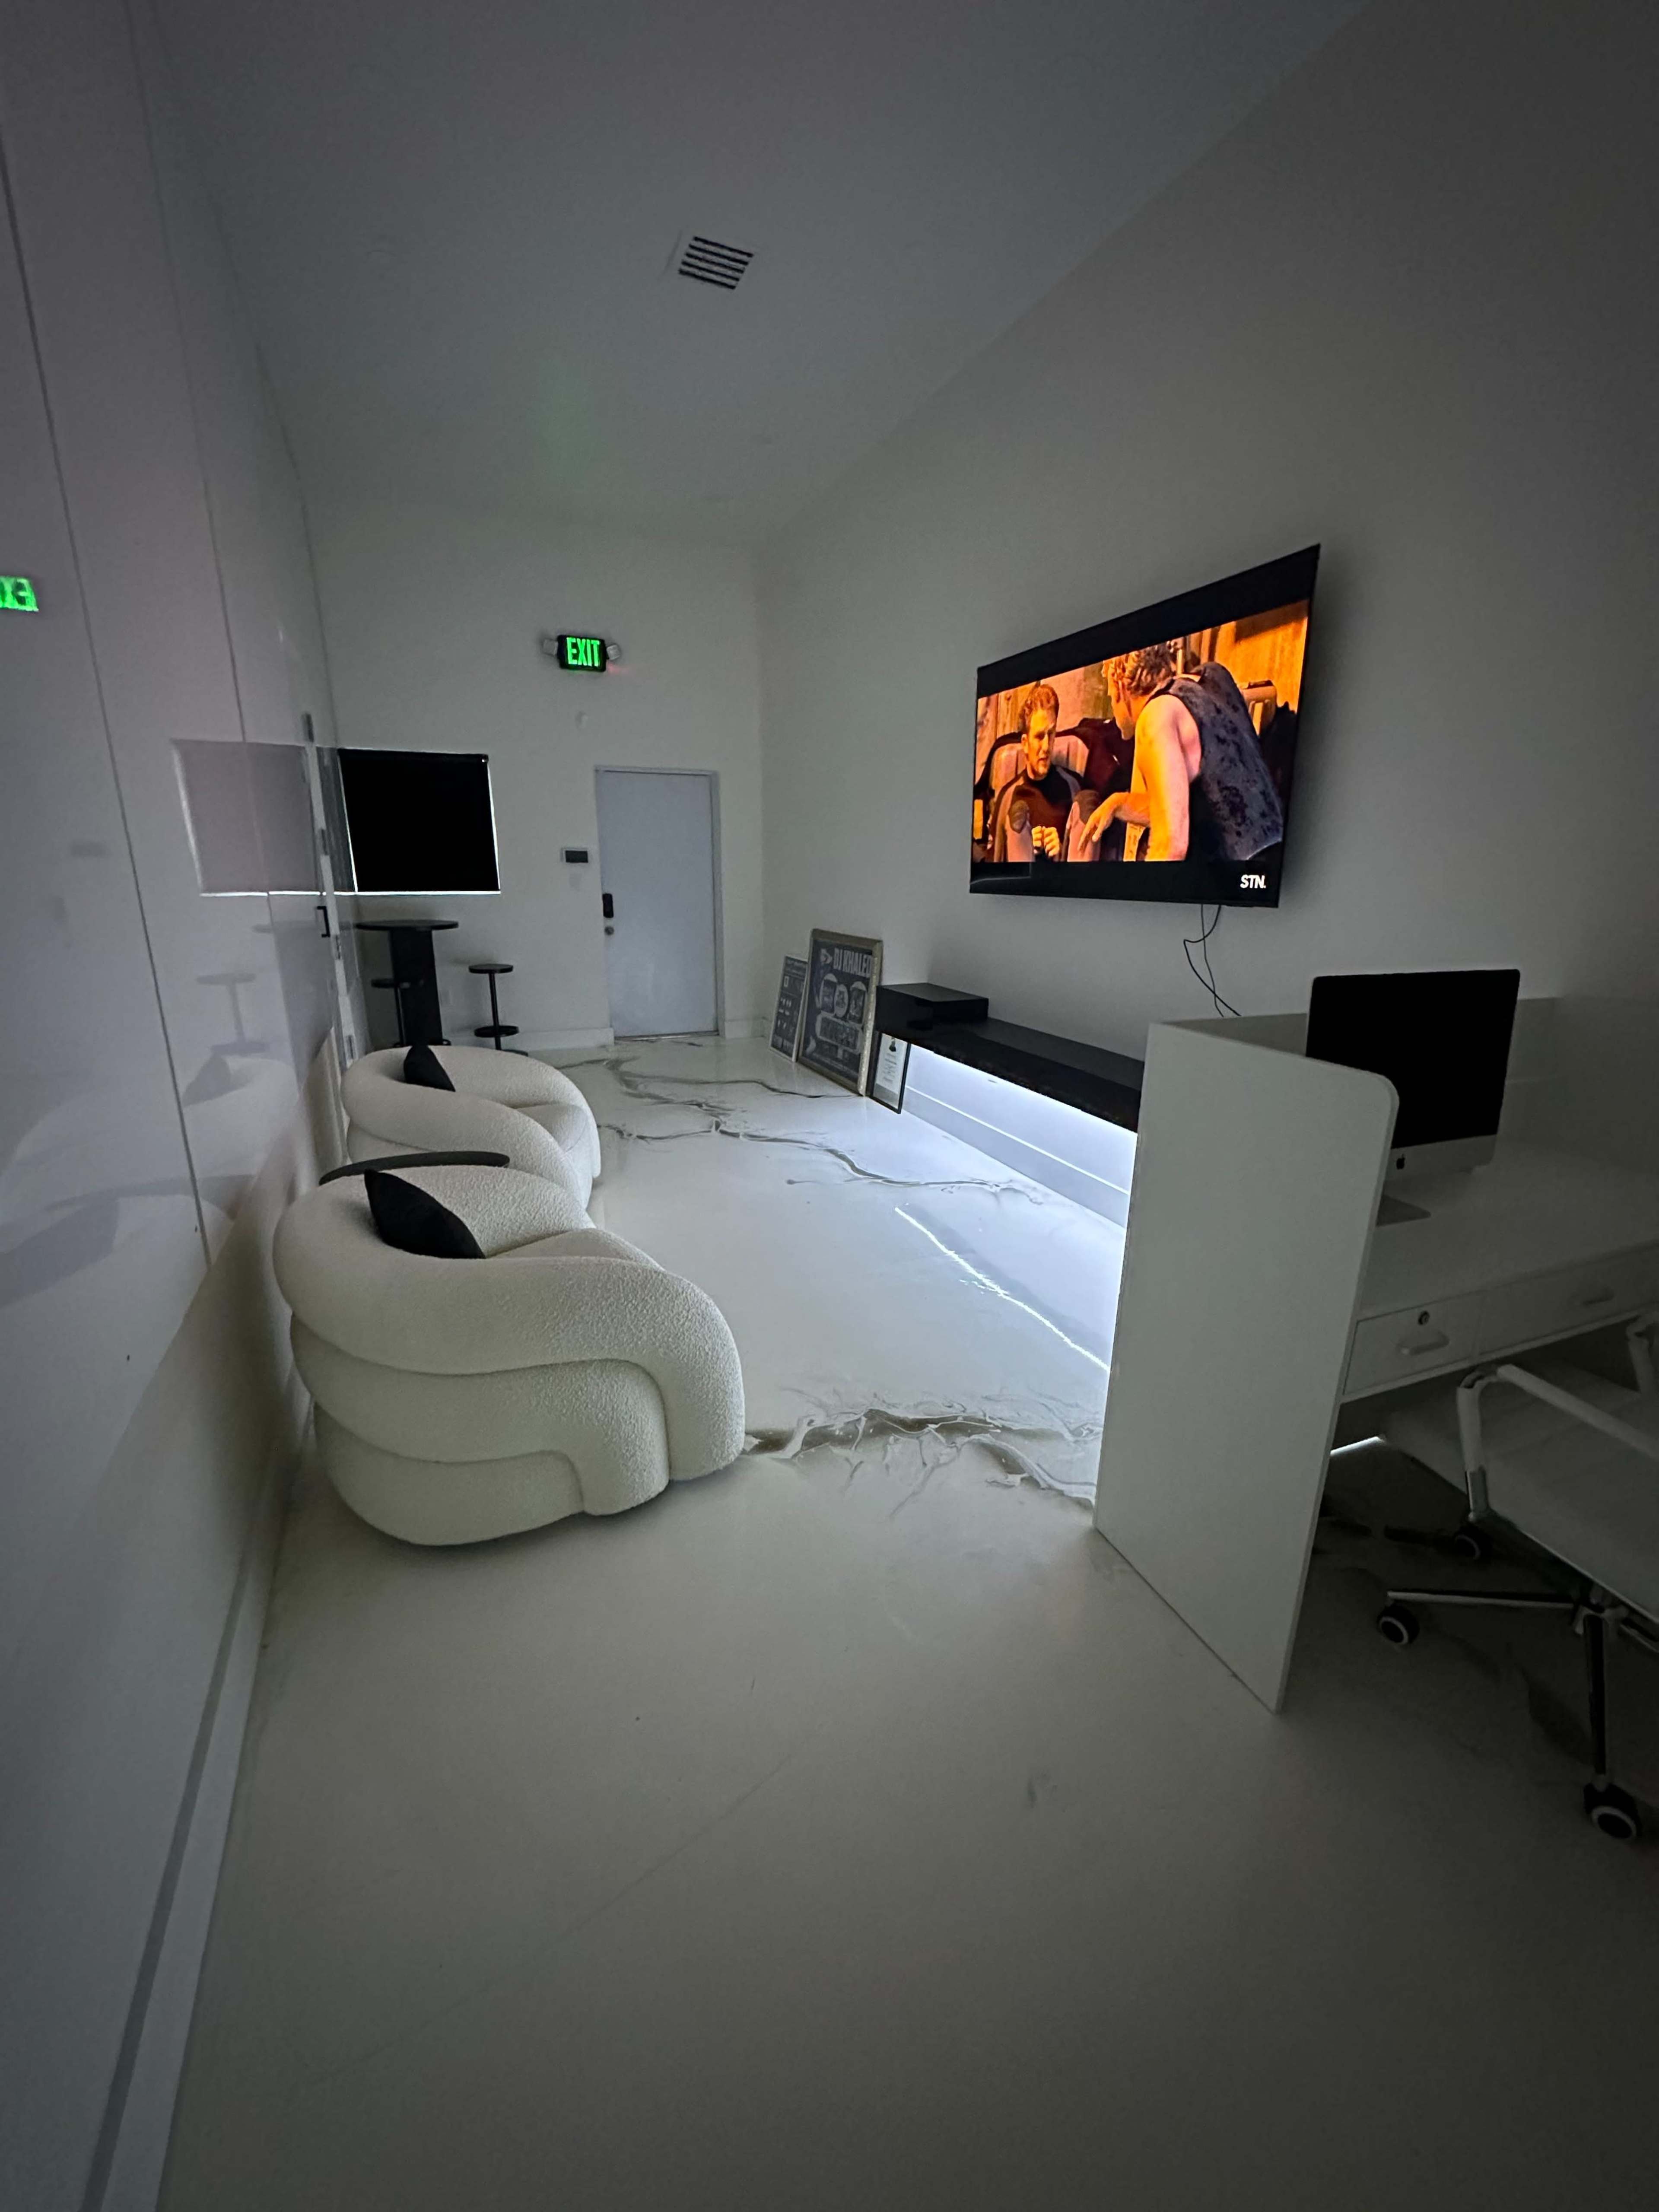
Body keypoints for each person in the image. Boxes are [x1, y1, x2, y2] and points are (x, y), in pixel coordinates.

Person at [1078, 644, 1284, 864]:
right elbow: (1199, 805)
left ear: (1118, 685)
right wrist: (1118, 803)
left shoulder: (1155, 718)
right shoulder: (1213, 675)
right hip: (1278, 860)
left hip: (1236, 881)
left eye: (1109, 693)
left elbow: (1171, 846)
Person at [986, 684, 1080, 862]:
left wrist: (1063, 852)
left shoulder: (1074, 788)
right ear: (1025, 743)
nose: (1046, 747)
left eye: (1051, 735)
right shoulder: (1008, 797)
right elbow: (994, 864)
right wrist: (1021, 847)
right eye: (1039, 737)